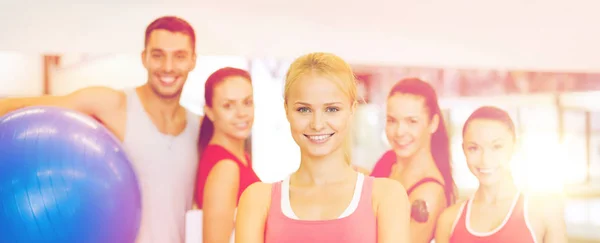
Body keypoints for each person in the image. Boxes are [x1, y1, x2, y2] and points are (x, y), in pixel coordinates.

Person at [0, 16, 201, 243]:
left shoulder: (200, 127)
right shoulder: (114, 104)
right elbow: (28, 106)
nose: (168, 67)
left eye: (180, 56)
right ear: (144, 58)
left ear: (193, 60)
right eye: (158, 55)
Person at [234, 52, 411, 243]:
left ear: (352, 109)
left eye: (332, 109)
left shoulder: (386, 197)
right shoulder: (257, 201)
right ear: (286, 110)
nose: (317, 124)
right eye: (304, 109)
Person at [435, 106, 567, 243]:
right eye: (474, 148)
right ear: (464, 150)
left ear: (515, 146)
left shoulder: (545, 212)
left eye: (497, 147)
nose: (485, 159)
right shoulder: (449, 220)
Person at [367, 78, 456, 243]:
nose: (399, 132)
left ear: (433, 123)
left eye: (411, 121)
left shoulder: (429, 194)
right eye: (392, 120)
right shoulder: (388, 160)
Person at [194, 67, 261, 242]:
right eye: (228, 106)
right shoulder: (225, 167)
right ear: (209, 111)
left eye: (247, 102)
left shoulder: (241, 158)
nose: (242, 113)